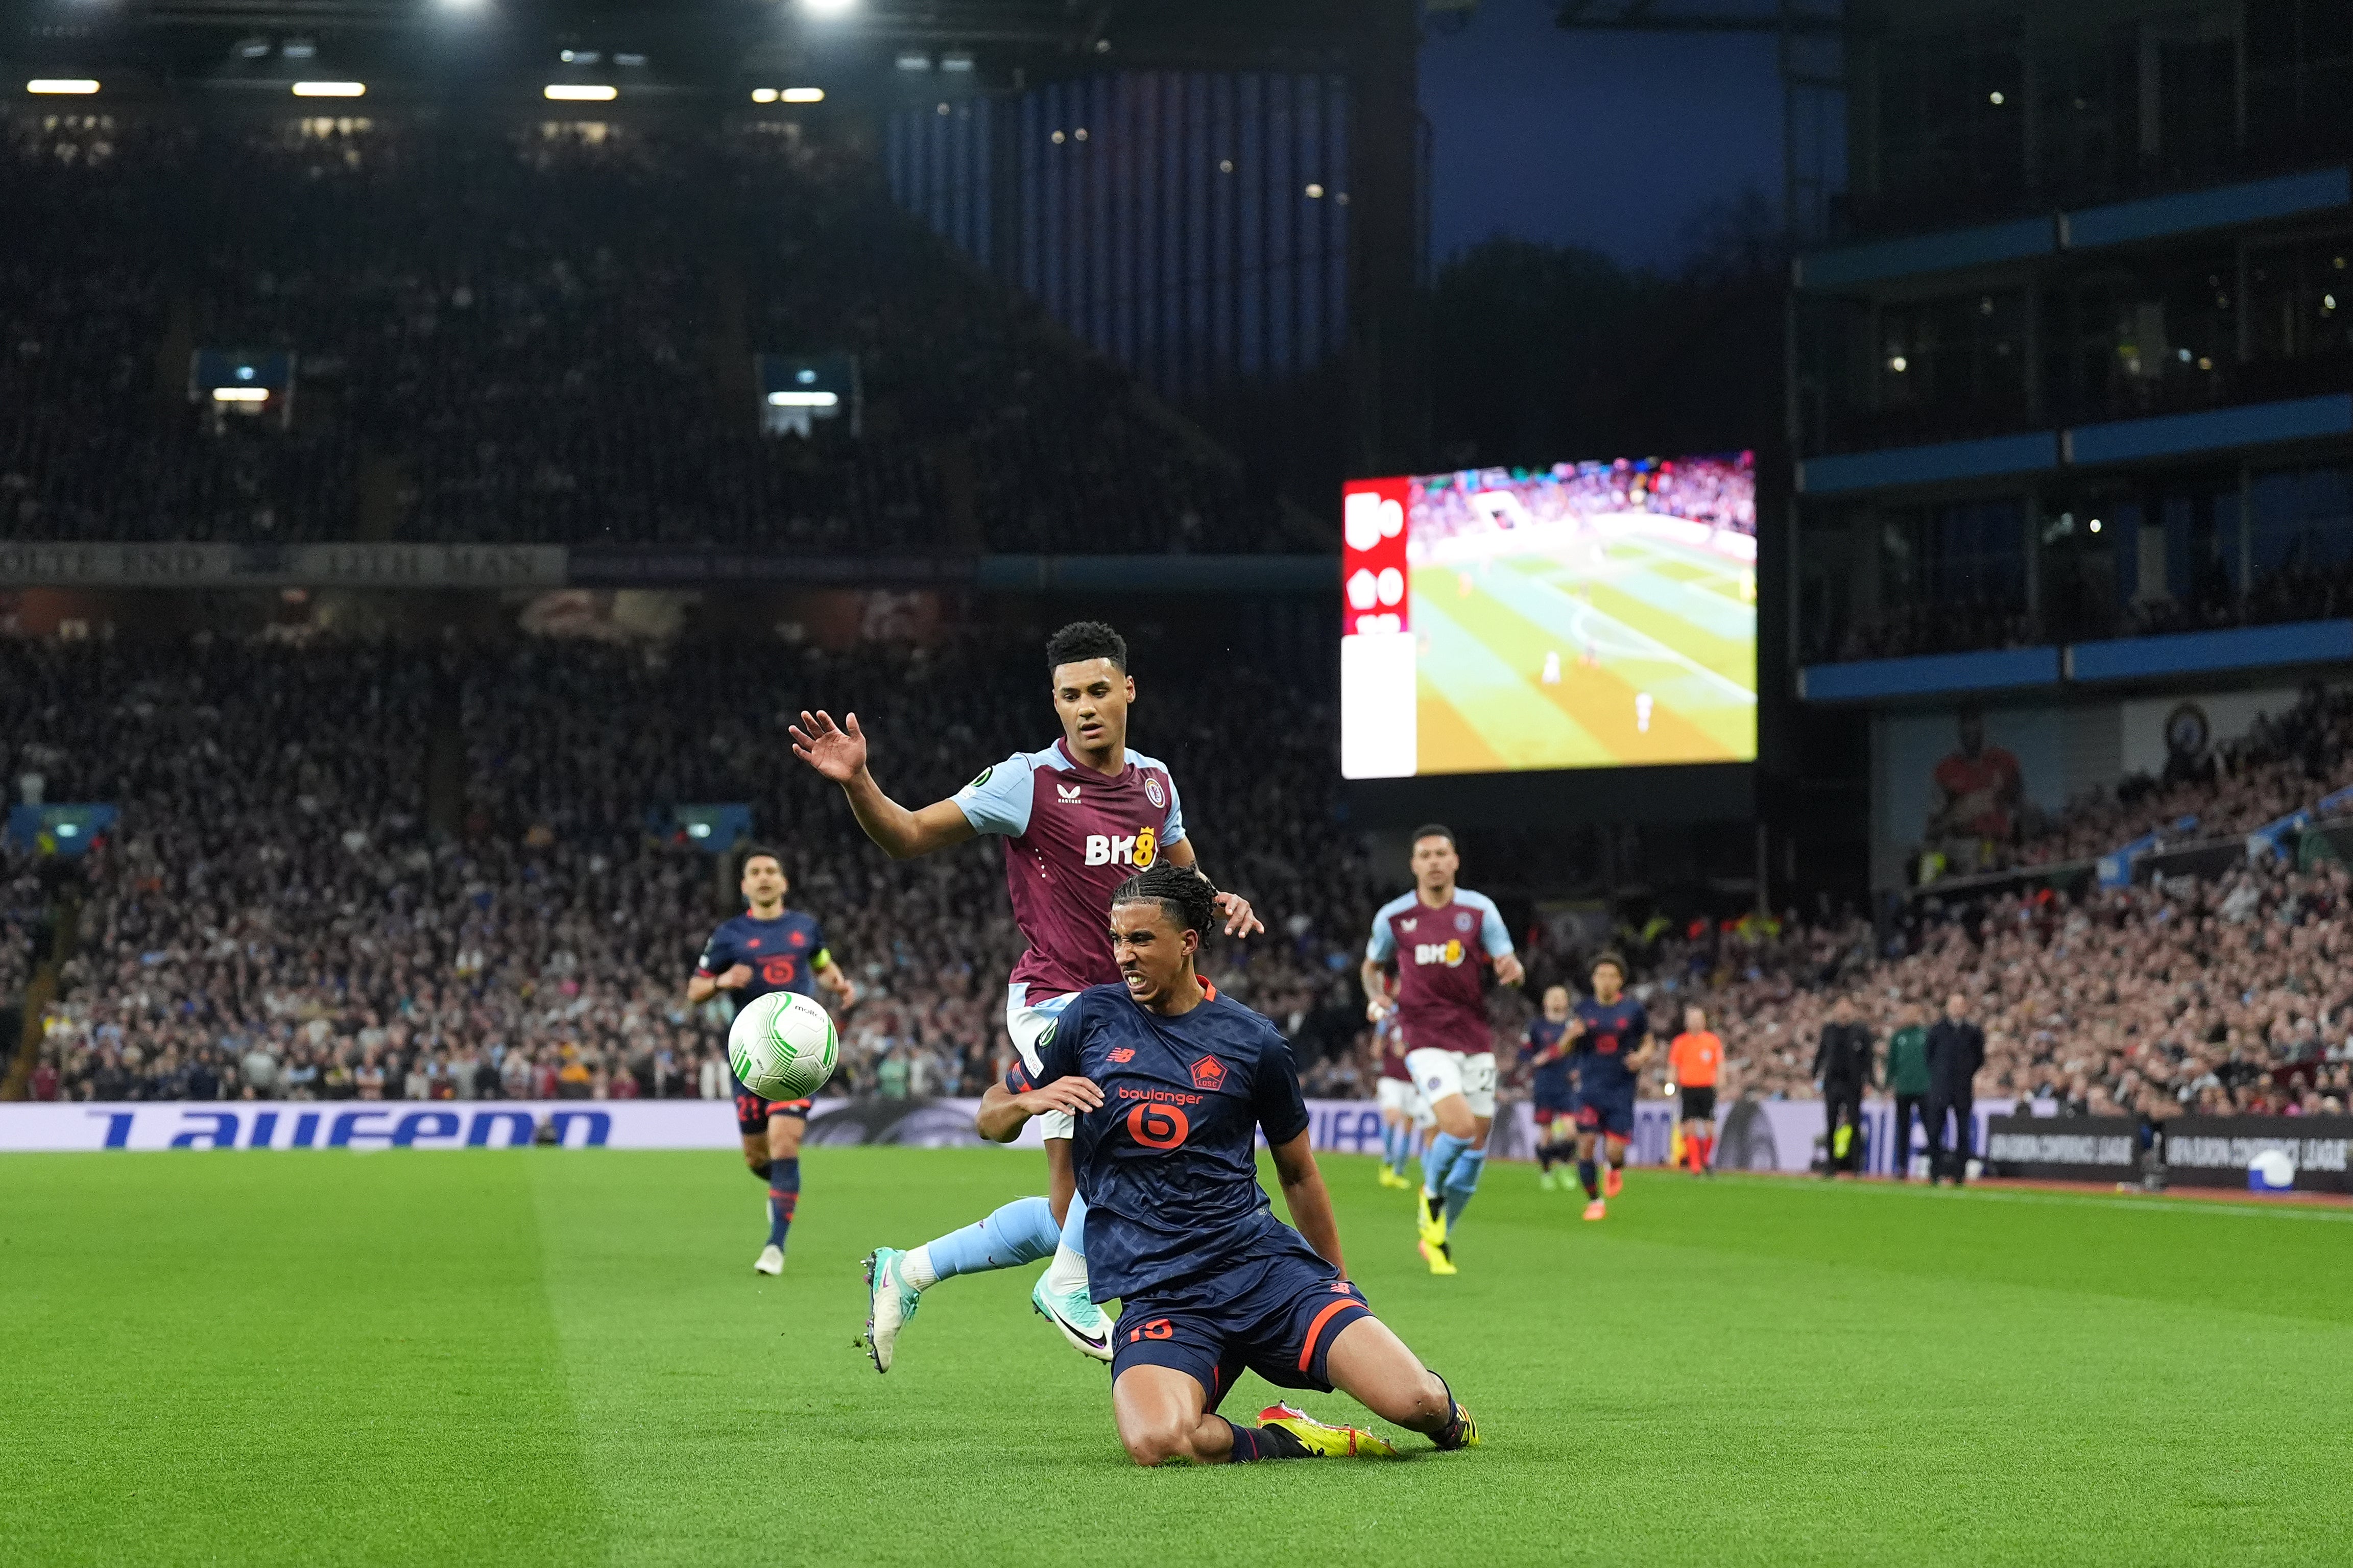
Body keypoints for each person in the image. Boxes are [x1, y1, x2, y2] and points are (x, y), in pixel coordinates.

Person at [791, 620, 1259, 1369]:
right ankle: (1070, 1286)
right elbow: (909, 834)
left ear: (1128, 690)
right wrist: (859, 783)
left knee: (1069, 1209)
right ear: (1055, 701)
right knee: (1135, 1144)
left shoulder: (1155, 783)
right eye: (1070, 695)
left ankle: (908, 1268)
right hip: (1057, 999)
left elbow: (1184, 882)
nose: (1086, 707)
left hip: (1135, 1005)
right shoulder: (1027, 781)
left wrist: (1220, 897)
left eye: (1099, 690)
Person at [977, 865, 1480, 1465]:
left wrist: (1339, 1277)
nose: (1123, 955)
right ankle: (1293, 1439)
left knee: (1416, 1401)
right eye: (1116, 939)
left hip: (1262, 1270)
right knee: (1158, 1442)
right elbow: (991, 1115)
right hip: (1160, 1290)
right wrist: (1027, 1103)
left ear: (1189, 941)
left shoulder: (1253, 1040)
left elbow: (1299, 1173)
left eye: (1140, 940)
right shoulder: (1088, 1019)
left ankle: (1448, 1414)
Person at [686, 844, 858, 1276]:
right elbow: (694, 989)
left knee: (785, 1143)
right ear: (744, 885)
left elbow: (821, 963)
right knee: (758, 1157)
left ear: (783, 881)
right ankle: (784, 1188)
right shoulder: (729, 935)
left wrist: (837, 983)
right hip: (750, 1059)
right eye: (755, 872)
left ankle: (775, 1247)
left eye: (771, 871)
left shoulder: (805, 927)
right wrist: (724, 980)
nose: (764, 877)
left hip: (802, 1054)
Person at [1361, 825, 1525, 1274]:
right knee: (1457, 1125)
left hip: (1473, 1036)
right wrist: (1376, 995)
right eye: (1425, 855)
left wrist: (1511, 966)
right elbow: (1372, 966)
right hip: (1422, 1034)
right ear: (1414, 864)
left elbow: (1506, 957)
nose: (1433, 861)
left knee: (1477, 1144)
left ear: (1455, 861)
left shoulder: (1479, 910)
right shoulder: (1395, 917)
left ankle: (1438, 1234)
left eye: (1441, 854)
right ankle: (1431, 1194)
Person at [1567, 953, 1654, 1221]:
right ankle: (1595, 1201)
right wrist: (1569, 1037)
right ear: (1593, 980)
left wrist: (1641, 1057)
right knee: (1587, 1144)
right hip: (1590, 1088)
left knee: (1615, 1152)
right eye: (1601, 975)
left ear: (1620, 981)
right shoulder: (1583, 1010)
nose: (1606, 981)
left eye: (1611, 976)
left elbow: (1649, 1043)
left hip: (1621, 1089)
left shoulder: (1633, 1011)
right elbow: (1564, 1048)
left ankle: (1614, 1169)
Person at [1924, 992, 1986, 1186]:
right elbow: (1929, 1056)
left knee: (1963, 1131)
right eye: (1954, 1005)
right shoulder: (1937, 1030)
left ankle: (1960, 1173)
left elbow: (1979, 1058)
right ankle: (1936, 1170)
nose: (1957, 1009)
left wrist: (1966, 1073)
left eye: (1960, 1005)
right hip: (1941, 1088)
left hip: (1962, 1088)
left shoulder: (1973, 1032)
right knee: (1935, 1130)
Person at [1811, 997, 1872, 1178]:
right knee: (1831, 1123)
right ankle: (1831, 1165)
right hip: (1833, 1082)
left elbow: (1868, 1058)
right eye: (1840, 1007)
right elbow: (1821, 1053)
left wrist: (1868, 1081)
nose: (1844, 1011)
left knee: (1854, 1123)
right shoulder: (1829, 1030)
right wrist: (1815, 1074)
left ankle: (1856, 1166)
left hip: (1853, 1083)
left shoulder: (1861, 1031)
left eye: (1847, 1007)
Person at [1523, 986, 1577, 1190]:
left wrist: (1577, 1069)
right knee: (1545, 1133)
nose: (1557, 1001)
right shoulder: (1536, 1027)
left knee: (1572, 1131)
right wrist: (1535, 1060)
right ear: (1546, 1002)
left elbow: (1581, 1053)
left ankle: (1564, 1164)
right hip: (1544, 1085)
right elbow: (1526, 1054)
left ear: (1566, 1002)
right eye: (1553, 997)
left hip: (1567, 1086)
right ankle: (1546, 1171)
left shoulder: (1573, 1027)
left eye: (1561, 998)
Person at [1666, 1004, 1723, 1174]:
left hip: (1707, 1087)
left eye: (1699, 1020)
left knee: (1710, 1127)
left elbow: (1720, 1063)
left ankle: (1706, 1159)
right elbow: (1673, 1065)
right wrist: (1670, 1082)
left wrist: (1721, 1079)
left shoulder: (1712, 1041)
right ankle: (1695, 1164)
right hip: (1688, 1088)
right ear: (1687, 1023)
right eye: (1693, 1020)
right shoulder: (1680, 1042)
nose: (1697, 1023)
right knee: (1688, 1125)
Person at [1370, 1012, 1421, 1190]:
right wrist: (1379, 1035)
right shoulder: (1390, 1021)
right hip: (1391, 1078)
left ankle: (1399, 1172)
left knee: (1408, 1126)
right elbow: (1375, 1052)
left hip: (1413, 1081)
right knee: (1392, 1117)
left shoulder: (1420, 1021)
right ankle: (1387, 1163)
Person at [1883, 1002, 1931, 1179]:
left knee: (1931, 1128)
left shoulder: (1926, 1034)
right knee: (1903, 1129)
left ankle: (1936, 1167)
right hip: (1903, 1089)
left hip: (1924, 1088)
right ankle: (1902, 1167)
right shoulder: (1898, 1037)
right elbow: (1891, 1063)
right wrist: (1888, 1086)